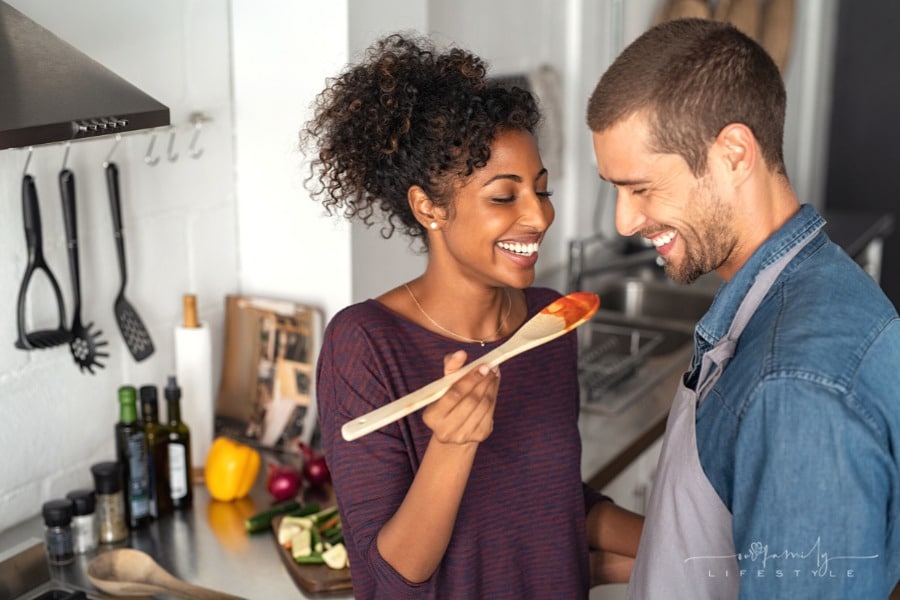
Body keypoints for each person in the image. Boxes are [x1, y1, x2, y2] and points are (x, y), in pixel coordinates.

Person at [302, 33, 643, 599]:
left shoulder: (549, 322)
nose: (538, 216)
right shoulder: (364, 344)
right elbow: (389, 579)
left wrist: (686, 544)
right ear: (428, 207)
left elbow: (550, 500)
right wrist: (452, 446)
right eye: (504, 197)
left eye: (542, 189)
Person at [586, 17, 900, 599]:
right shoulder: (816, 284)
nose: (623, 222)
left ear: (733, 153)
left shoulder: (796, 384)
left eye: (641, 188)